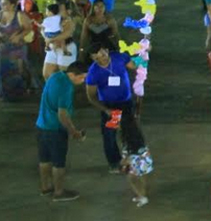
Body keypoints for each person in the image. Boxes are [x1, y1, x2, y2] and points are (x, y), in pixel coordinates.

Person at [36, 61, 87, 202]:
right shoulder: (66, 87)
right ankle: (59, 192)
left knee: (44, 159)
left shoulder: (55, 76)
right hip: (55, 129)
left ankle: (45, 188)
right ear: (72, 74)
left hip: (41, 125)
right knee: (59, 162)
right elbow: (62, 114)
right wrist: (74, 132)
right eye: (81, 77)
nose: (83, 81)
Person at [85, 42, 137, 172]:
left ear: (107, 50)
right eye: (97, 58)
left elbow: (135, 66)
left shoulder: (119, 58)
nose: (101, 59)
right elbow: (91, 96)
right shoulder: (93, 72)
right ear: (92, 58)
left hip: (126, 103)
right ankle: (114, 163)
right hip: (111, 107)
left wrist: (142, 55)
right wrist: (106, 110)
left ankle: (131, 159)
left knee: (129, 131)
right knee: (110, 134)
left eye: (102, 54)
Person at [119, 110, 153, 207]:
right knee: (141, 178)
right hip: (144, 160)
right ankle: (142, 194)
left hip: (137, 162)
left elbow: (128, 157)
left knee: (131, 179)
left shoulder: (127, 141)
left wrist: (123, 164)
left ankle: (142, 196)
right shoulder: (137, 135)